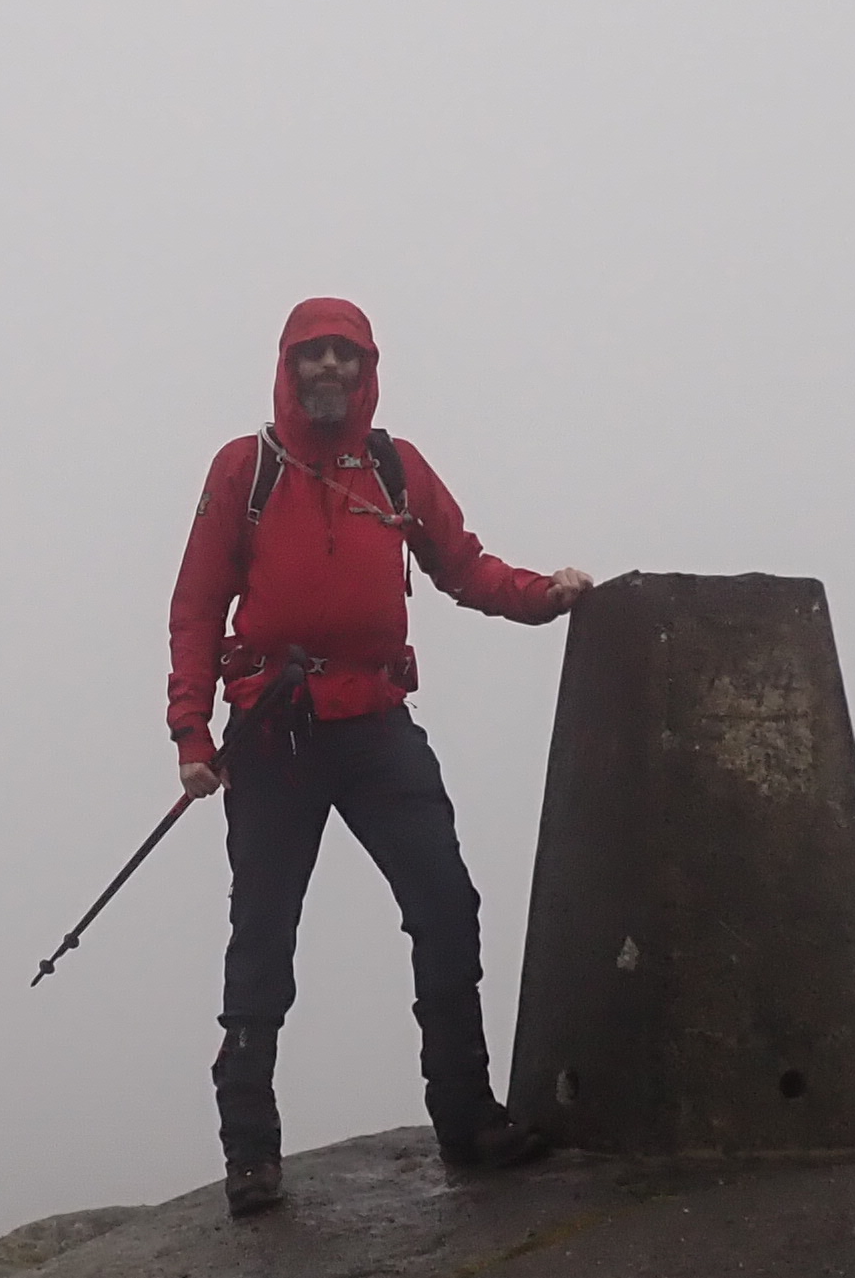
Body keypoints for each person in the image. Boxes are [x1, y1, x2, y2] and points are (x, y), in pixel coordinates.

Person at [167, 297, 592, 1215]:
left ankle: (468, 1119)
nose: (330, 369)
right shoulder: (245, 470)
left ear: (367, 369)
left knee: (445, 901)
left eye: (346, 356)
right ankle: (251, 1151)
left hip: (374, 725)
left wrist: (542, 597)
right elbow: (198, 607)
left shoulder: (392, 466)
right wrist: (193, 738)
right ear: (288, 364)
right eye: (313, 354)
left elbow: (462, 564)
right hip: (274, 732)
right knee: (265, 931)